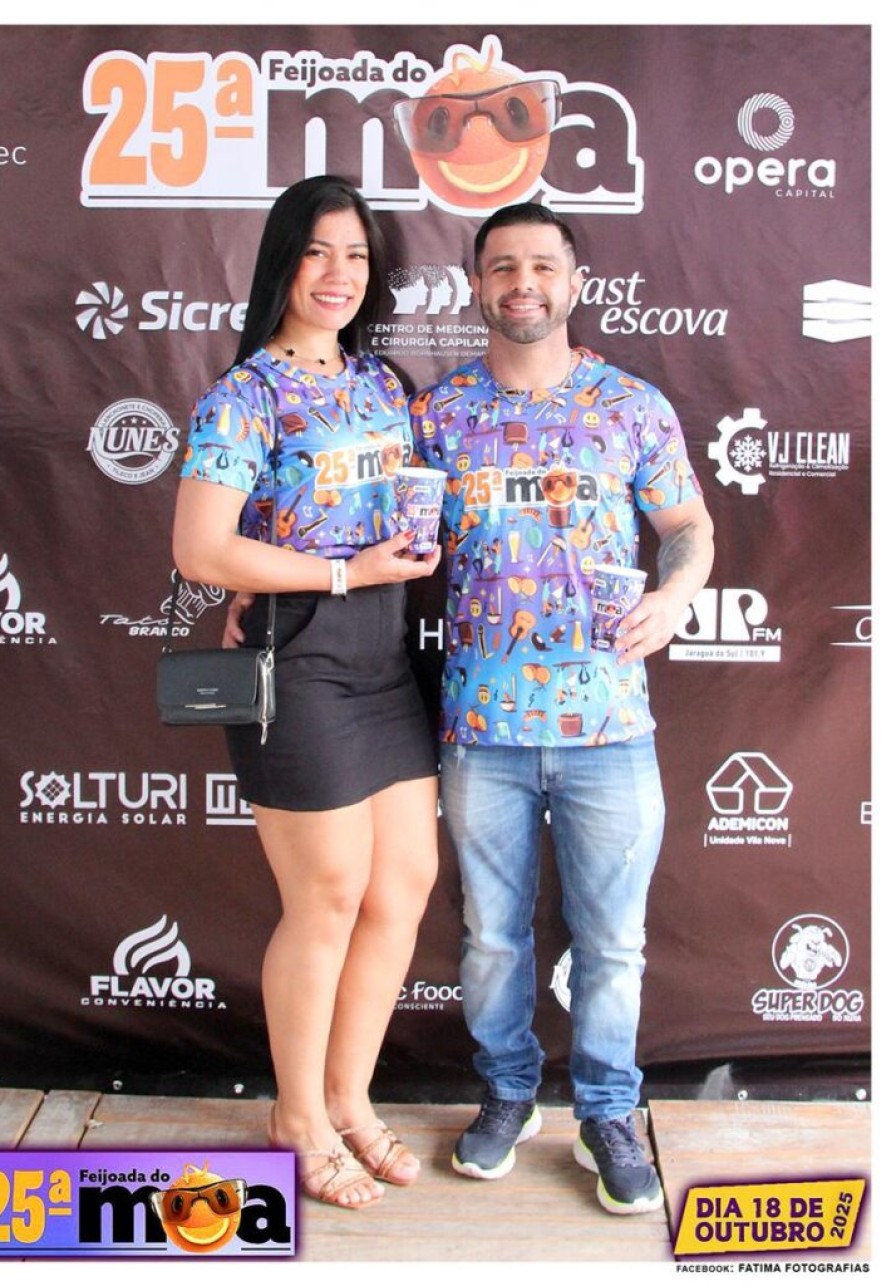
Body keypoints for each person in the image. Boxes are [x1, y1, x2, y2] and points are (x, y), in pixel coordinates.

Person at [409, 203, 715, 1214]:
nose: (522, 284)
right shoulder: (438, 413)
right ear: (476, 285)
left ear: (575, 282)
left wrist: (674, 595)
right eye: (503, 267)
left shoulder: (632, 404)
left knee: (613, 944)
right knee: (492, 937)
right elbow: (379, 538)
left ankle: (609, 1111)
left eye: (542, 265)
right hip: (482, 729)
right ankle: (507, 1094)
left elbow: (687, 526)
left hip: (610, 729)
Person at [172, 175, 441, 1211]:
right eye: (318, 251)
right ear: (283, 260)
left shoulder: (381, 382)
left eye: (357, 255)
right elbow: (201, 548)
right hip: (298, 658)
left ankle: (347, 1097)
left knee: (401, 884)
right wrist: (333, 573)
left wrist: (389, 559)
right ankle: (296, 1116)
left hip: (385, 656)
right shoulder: (244, 395)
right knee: (327, 892)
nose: (338, 273)